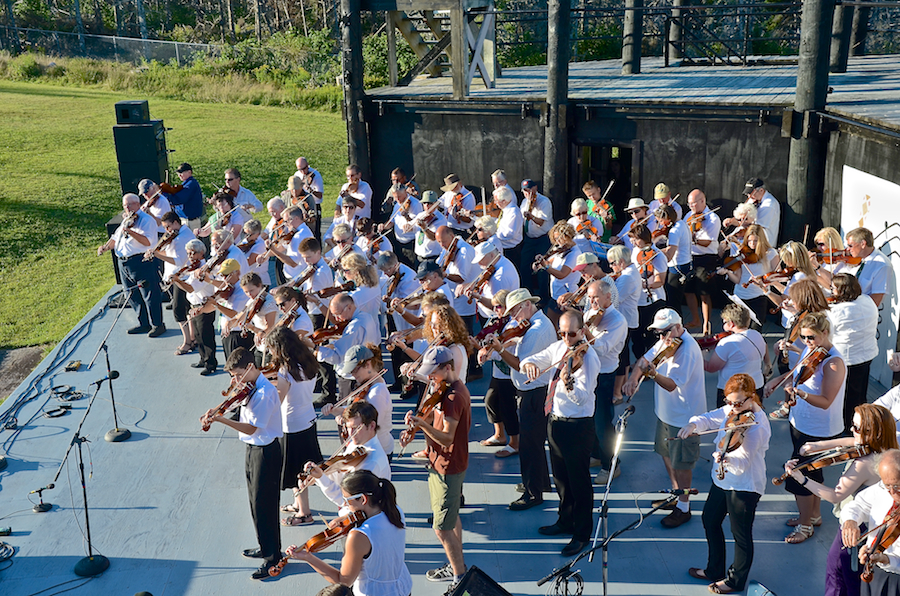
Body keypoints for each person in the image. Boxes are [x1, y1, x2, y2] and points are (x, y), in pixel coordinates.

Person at [784, 404, 898, 596]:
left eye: (858, 428)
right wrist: (818, 446)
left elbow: (835, 495)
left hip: (855, 526)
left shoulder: (864, 463)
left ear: (874, 433)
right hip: (871, 523)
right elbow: (852, 441)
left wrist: (801, 478)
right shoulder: (890, 450)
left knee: (839, 575)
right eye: (852, 425)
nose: (853, 431)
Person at [680, 374, 772, 595]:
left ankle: (735, 580)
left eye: (739, 402)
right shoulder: (733, 410)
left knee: (740, 533)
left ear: (752, 396)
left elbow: (743, 463)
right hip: (722, 480)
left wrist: (726, 459)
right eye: (730, 402)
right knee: (709, 519)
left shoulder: (757, 425)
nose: (733, 407)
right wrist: (694, 424)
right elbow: (711, 418)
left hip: (745, 486)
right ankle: (714, 569)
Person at [520, 310, 601, 557]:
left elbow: (581, 398)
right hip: (555, 422)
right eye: (562, 333)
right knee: (562, 479)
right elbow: (530, 360)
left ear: (583, 331)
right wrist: (530, 366)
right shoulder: (558, 349)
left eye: (572, 334)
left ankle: (582, 533)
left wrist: (568, 382)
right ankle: (565, 520)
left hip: (578, 426)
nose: (567, 338)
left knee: (579, 482)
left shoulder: (589, 359)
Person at [200, 347, 284, 579]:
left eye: (237, 375)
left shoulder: (265, 392)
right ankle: (265, 546)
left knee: (264, 505)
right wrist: (218, 410)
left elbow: (252, 427)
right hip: (253, 449)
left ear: (250, 367)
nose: (235, 381)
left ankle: (273, 558)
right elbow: (239, 408)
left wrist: (221, 420)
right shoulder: (251, 387)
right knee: (255, 503)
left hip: (265, 451)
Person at [764, 311, 847, 544]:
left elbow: (826, 401)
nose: (806, 341)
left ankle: (805, 525)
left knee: (801, 475)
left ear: (825, 333)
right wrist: (778, 382)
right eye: (802, 337)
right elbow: (799, 372)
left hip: (818, 428)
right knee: (815, 472)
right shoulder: (813, 351)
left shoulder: (833, 363)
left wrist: (799, 393)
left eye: (810, 337)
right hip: (801, 422)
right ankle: (814, 515)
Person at [623, 308, 705, 528]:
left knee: (683, 464)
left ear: (678, 327)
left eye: (665, 332)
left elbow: (671, 385)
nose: (661, 337)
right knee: (667, 455)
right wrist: (633, 378)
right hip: (666, 414)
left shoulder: (686, 350)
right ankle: (676, 495)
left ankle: (684, 507)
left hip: (683, 418)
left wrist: (653, 373)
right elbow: (644, 359)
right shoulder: (667, 341)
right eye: (658, 333)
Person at [399, 346, 471, 591]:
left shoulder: (453, 397)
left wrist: (422, 425)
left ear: (447, 367)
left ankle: (459, 576)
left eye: (433, 373)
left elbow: (448, 438)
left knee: (441, 528)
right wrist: (419, 423)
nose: (430, 377)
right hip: (439, 462)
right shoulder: (444, 390)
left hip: (448, 466)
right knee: (452, 517)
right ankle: (455, 566)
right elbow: (433, 420)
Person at [480, 289, 557, 510]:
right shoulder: (534, 324)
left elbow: (520, 365)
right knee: (533, 443)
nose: (513, 317)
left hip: (533, 393)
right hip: (534, 392)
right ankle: (538, 484)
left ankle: (533, 493)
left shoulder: (536, 331)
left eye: (514, 311)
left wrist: (500, 349)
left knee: (530, 445)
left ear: (525, 305)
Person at [284, 470, 413, 596]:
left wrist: (308, 557)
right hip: (403, 587)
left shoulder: (359, 536)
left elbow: (343, 581)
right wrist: (343, 519)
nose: (346, 505)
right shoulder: (395, 511)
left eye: (347, 501)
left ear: (363, 499)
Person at [264, 327, 322, 527]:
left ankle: (304, 513)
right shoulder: (308, 362)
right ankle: (299, 504)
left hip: (292, 424)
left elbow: (278, 400)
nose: (271, 353)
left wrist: (265, 389)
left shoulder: (285, 371)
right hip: (308, 418)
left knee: (298, 472)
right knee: (303, 469)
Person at [96, 193, 165, 337]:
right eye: (124, 206)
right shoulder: (126, 220)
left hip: (141, 261)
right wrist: (106, 247)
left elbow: (148, 242)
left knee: (150, 294)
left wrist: (130, 231)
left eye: (129, 205)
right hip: (124, 262)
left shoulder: (146, 220)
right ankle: (143, 323)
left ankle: (158, 325)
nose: (127, 208)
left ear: (137, 204)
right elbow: (115, 238)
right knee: (131, 294)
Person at [306, 402, 392, 512]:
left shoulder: (372, 462)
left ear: (372, 426)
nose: (351, 434)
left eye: (356, 428)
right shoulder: (356, 444)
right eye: (348, 428)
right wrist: (319, 474)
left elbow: (346, 501)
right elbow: (340, 473)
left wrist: (321, 478)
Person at [583, 278, 628, 483]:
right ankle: (595, 454)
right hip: (589, 371)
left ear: (608, 297)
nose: (592, 302)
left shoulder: (617, 321)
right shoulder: (591, 314)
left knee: (603, 421)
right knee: (590, 417)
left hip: (605, 374)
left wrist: (584, 332)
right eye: (590, 297)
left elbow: (601, 348)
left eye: (596, 297)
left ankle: (611, 464)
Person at [839, 449, 900, 596]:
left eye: (897, 486)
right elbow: (858, 505)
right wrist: (850, 521)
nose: (892, 492)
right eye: (887, 486)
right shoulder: (882, 488)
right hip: (875, 571)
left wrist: (887, 559)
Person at [829, 274, 879, 431]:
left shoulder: (836, 311)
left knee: (847, 397)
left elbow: (828, 334)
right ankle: (861, 421)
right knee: (861, 392)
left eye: (833, 288)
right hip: (867, 354)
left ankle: (847, 428)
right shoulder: (867, 300)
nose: (831, 291)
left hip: (848, 358)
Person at [324, 345, 394, 458]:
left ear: (367, 365)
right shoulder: (370, 384)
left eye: (354, 370)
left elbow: (369, 427)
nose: (352, 374)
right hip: (370, 448)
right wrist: (335, 410)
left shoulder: (376, 393)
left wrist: (344, 421)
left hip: (376, 450)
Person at [703, 304, 770, 409]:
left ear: (731, 324)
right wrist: (767, 364)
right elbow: (765, 347)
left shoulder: (728, 342)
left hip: (734, 392)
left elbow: (710, 367)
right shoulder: (756, 334)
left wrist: (696, 355)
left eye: (724, 322)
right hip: (756, 386)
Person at [478, 290, 520, 458]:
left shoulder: (512, 326)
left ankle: (514, 442)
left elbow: (504, 349)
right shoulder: (494, 322)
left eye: (499, 306)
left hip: (508, 373)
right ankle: (499, 435)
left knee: (507, 407)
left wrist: (486, 353)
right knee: (490, 400)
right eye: (494, 306)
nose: (496, 310)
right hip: (498, 372)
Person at [315, 293, 381, 399]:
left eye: (338, 314)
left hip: (351, 376)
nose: (336, 319)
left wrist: (318, 349)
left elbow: (338, 357)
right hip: (367, 371)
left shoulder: (353, 328)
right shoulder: (367, 316)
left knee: (346, 410)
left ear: (349, 307)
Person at [715, 223, 777, 330]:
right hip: (740, 296)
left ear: (762, 240)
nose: (752, 244)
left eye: (756, 241)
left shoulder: (771, 253)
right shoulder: (742, 252)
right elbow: (738, 279)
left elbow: (775, 277)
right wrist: (728, 273)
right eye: (749, 241)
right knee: (737, 330)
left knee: (755, 330)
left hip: (759, 297)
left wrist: (764, 281)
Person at [152, 211, 196, 354]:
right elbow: (171, 254)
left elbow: (178, 260)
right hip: (179, 277)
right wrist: (157, 251)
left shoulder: (180, 238)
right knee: (187, 310)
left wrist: (157, 255)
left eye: (168, 227)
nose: (166, 231)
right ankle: (193, 338)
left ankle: (187, 342)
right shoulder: (179, 234)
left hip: (181, 278)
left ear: (176, 223)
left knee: (179, 311)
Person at [172, 239, 217, 374]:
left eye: (193, 253)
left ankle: (210, 364)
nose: (190, 256)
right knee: (198, 335)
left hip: (204, 306)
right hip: (194, 306)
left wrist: (177, 281)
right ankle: (203, 359)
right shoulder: (192, 268)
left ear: (201, 253)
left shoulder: (204, 270)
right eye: (188, 253)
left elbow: (191, 288)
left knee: (206, 335)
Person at [683, 189, 721, 336]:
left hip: (706, 257)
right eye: (689, 203)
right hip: (690, 256)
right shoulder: (689, 215)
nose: (691, 206)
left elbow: (708, 242)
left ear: (702, 201)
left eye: (693, 203)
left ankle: (706, 323)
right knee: (688, 291)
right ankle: (695, 319)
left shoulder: (712, 219)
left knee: (704, 293)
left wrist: (692, 238)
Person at [607, 245, 641, 404]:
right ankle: (621, 388)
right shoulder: (629, 272)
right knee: (624, 354)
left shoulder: (627, 277)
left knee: (620, 355)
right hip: (627, 319)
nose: (611, 267)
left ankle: (617, 393)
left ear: (621, 262)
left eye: (612, 263)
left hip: (624, 320)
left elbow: (614, 299)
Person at [628, 223, 667, 359]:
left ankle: (652, 363)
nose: (632, 242)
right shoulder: (635, 251)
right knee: (636, 334)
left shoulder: (658, 256)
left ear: (643, 238)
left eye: (635, 239)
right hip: (638, 299)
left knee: (651, 335)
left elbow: (660, 281)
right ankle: (640, 362)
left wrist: (645, 285)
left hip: (653, 299)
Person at [537, 221, 582, 327]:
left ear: (567, 236)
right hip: (556, 295)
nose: (557, 242)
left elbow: (562, 274)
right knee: (551, 326)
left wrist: (546, 267)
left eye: (559, 238)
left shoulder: (574, 253)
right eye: (555, 239)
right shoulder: (560, 250)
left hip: (567, 297)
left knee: (565, 327)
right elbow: (549, 261)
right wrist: (540, 263)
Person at [461, 241, 520, 321]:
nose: (479, 263)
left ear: (492, 255)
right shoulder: (496, 263)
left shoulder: (500, 277)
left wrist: (478, 297)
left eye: (481, 259)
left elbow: (497, 307)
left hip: (496, 317)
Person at [519, 179, 553, 305]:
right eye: (525, 191)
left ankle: (544, 298)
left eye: (529, 190)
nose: (527, 193)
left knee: (542, 268)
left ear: (535, 188)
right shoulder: (524, 202)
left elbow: (541, 222)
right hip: (529, 238)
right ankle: (528, 295)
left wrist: (531, 216)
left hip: (543, 238)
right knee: (524, 266)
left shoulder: (544, 202)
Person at [658, 204, 692, 319]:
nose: (660, 224)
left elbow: (669, 256)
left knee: (673, 302)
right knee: (676, 300)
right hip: (685, 264)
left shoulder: (674, 231)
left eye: (661, 221)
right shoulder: (682, 223)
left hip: (677, 268)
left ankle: (676, 329)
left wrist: (655, 252)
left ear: (668, 218)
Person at [379, 183, 422, 269]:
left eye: (399, 196)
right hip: (399, 243)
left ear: (406, 192)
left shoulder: (415, 204)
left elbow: (417, 223)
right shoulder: (397, 205)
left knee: (412, 268)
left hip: (411, 243)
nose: (397, 199)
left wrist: (406, 216)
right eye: (395, 197)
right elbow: (392, 222)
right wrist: (384, 226)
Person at [161, 162, 204, 230]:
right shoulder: (185, 185)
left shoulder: (191, 184)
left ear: (189, 172)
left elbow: (178, 199)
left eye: (181, 172)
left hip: (191, 222)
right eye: (178, 173)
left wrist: (166, 193)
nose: (179, 175)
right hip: (184, 220)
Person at [738, 177, 780, 247]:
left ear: (761, 190)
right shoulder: (753, 199)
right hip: (751, 240)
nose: (749, 196)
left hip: (763, 244)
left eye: (751, 193)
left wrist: (740, 223)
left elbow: (757, 227)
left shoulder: (769, 205)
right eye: (748, 194)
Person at [340, 252, 382, 320]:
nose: (344, 275)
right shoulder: (375, 285)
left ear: (356, 271)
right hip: (375, 327)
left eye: (346, 271)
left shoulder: (354, 296)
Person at [294, 156, 324, 240]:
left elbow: (320, 195)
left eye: (304, 168)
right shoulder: (297, 175)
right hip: (301, 204)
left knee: (316, 232)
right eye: (300, 169)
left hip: (314, 204)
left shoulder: (316, 175)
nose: (303, 172)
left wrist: (311, 191)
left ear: (308, 165)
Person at [493, 186, 523, 266]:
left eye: (496, 201)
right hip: (505, 248)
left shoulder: (513, 213)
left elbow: (510, 234)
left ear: (503, 201)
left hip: (511, 250)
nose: (495, 203)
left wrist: (494, 234)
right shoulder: (506, 210)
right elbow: (499, 223)